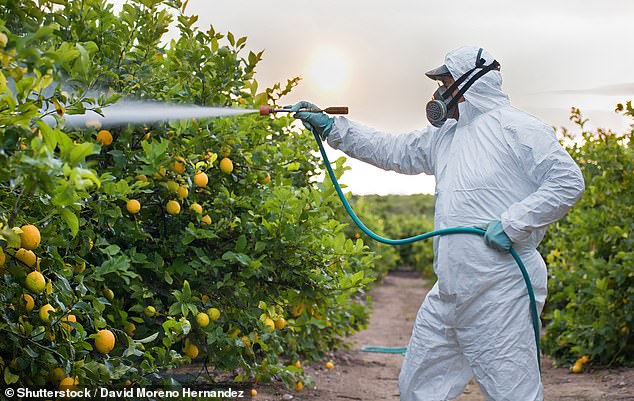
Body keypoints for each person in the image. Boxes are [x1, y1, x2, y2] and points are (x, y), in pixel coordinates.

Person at [289, 46, 585, 401]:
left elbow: (567, 181)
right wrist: (333, 128)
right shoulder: (446, 136)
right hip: (450, 291)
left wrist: (513, 224)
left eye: (444, 82)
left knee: (512, 394)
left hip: (501, 290)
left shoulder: (518, 128)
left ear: (467, 85)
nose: (437, 92)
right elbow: (392, 149)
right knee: (419, 388)